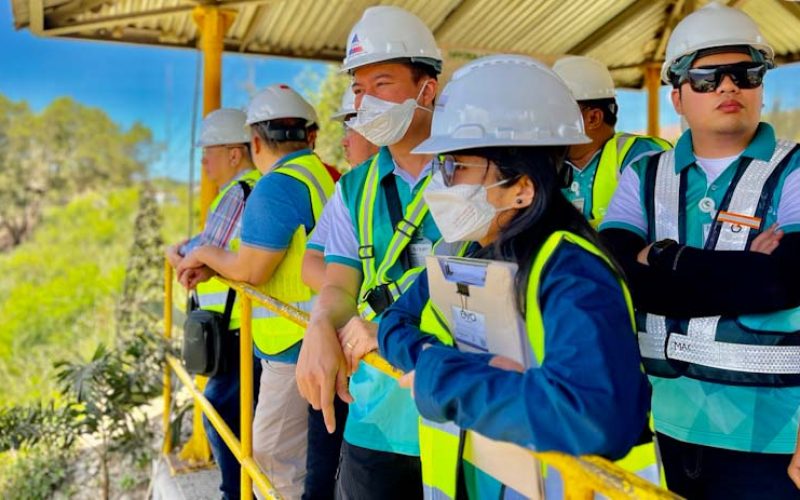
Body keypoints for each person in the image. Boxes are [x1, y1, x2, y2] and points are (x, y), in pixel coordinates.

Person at [354, 54, 648, 499]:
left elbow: (594, 415)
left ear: (522, 189)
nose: (441, 186)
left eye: (456, 168)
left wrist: (446, 377)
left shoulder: (573, 273)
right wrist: (438, 358)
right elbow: (395, 321)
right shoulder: (467, 251)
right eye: (441, 167)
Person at [598, 3, 800, 498]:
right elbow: (614, 269)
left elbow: (786, 278)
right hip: (664, 421)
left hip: (775, 433)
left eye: (744, 73)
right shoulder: (643, 173)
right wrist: (742, 272)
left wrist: (660, 259)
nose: (728, 87)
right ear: (678, 96)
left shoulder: (795, 167)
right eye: (707, 77)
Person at [295, 6, 442, 499]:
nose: (366, 101)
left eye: (383, 83)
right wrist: (320, 324)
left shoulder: (477, 172)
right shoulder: (354, 188)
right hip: (376, 413)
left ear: (429, 88)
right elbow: (339, 280)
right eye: (359, 89)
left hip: (459, 411)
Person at [178, 84, 336, 499]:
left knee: (269, 456)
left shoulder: (276, 185)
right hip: (322, 331)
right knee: (315, 457)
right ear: (309, 134)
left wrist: (206, 253)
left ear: (254, 141)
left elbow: (251, 268)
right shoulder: (318, 172)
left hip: (292, 343)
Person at [167, 108, 261, 500]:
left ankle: (235, 494)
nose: (204, 160)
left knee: (224, 414)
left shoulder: (240, 191)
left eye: (210, 151)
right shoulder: (241, 192)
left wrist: (181, 253)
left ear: (236, 154)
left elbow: (203, 249)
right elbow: (207, 241)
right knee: (236, 417)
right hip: (238, 324)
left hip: (238, 327)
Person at [298, 87, 378, 500]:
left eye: (353, 125)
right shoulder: (350, 191)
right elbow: (313, 266)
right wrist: (345, 305)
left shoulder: (441, 181)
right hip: (347, 349)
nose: (345, 139)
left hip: (387, 359)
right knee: (326, 469)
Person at [552, 55, 670, 227]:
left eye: (556, 114)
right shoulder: (550, 163)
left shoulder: (640, 155)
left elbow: (663, 224)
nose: (547, 123)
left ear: (593, 118)